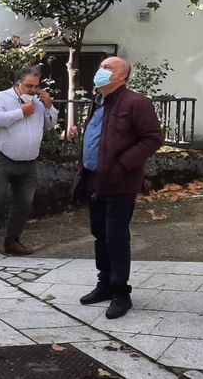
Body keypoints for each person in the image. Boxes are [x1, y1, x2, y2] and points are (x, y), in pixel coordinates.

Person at [73, 56, 161, 320]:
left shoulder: (136, 103)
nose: (101, 71)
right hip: (94, 178)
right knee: (100, 233)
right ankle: (105, 284)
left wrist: (123, 164)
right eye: (101, 66)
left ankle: (121, 292)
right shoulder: (98, 101)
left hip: (120, 181)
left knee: (116, 236)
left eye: (108, 68)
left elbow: (152, 138)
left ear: (122, 76)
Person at [0, 67, 58, 256]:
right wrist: (20, 112)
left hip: (29, 162)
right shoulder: (1, 98)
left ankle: (12, 241)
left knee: (23, 203)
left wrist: (49, 106)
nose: (33, 90)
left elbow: (50, 124)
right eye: (29, 86)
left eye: (36, 86)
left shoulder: (38, 102)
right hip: (1, 158)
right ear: (17, 84)